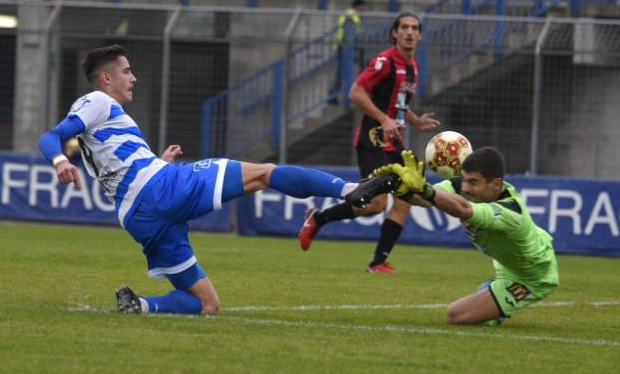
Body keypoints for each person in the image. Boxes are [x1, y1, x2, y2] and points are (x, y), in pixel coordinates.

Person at [37, 44, 399, 315]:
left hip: (138, 214)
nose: (134, 77)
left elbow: (111, 161)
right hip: (160, 189)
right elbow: (50, 136)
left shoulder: (106, 114)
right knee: (264, 174)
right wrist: (58, 160)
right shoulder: (98, 100)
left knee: (207, 304)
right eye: (127, 71)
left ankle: (141, 306)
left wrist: (156, 160)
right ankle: (350, 189)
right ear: (106, 77)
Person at [300, 12, 440, 274]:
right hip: (372, 140)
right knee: (375, 205)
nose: (409, 32)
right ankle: (318, 219)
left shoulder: (414, 66)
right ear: (394, 33)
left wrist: (416, 121)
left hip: (395, 143)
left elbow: (398, 104)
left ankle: (378, 262)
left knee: (404, 200)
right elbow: (356, 92)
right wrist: (384, 120)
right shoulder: (384, 61)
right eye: (404, 28)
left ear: (420, 35)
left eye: (414, 28)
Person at [388, 148, 559, 325]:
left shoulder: (510, 212)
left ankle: (495, 302)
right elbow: (426, 199)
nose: (465, 188)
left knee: (456, 315)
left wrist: (425, 190)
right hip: (506, 263)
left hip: (532, 276)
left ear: (496, 185)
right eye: (464, 180)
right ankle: (492, 291)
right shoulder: (463, 186)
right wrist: (404, 191)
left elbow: (463, 209)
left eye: (473, 182)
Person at [332, 0, 366, 96]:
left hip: (345, 46)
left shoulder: (350, 14)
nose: (364, 10)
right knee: (342, 73)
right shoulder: (351, 15)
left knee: (343, 72)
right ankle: (334, 95)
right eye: (363, 7)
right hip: (345, 47)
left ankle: (338, 95)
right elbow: (349, 32)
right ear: (358, 6)